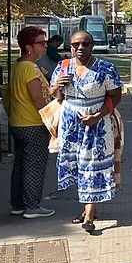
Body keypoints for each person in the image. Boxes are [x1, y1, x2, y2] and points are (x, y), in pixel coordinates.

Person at [50, 30, 123, 232]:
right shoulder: (63, 67)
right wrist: (58, 86)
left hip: (97, 125)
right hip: (70, 126)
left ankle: (89, 217)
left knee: (92, 167)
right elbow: (54, 95)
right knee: (78, 166)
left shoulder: (106, 68)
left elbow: (116, 96)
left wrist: (97, 116)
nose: (80, 48)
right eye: (76, 44)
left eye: (85, 44)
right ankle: (90, 208)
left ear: (92, 46)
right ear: (70, 46)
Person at [9, 26, 55, 218]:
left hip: (18, 122)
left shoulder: (19, 65)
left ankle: (18, 204)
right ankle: (32, 206)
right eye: (41, 43)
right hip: (33, 123)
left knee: (20, 165)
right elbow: (38, 98)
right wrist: (51, 119)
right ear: (28, 47)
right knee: (35, 165)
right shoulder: (29, 68)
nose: (45, 46)